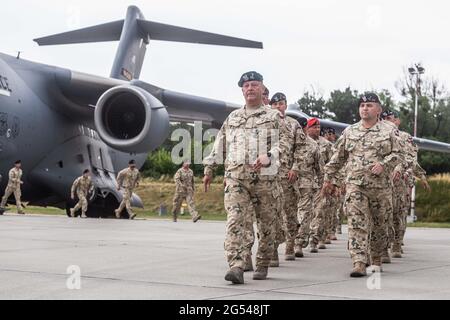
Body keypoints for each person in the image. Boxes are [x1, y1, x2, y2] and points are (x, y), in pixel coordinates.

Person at [203, 71, 282, 284]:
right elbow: (221, 143)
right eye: (246, 85)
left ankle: (263, 261)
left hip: (265, 180)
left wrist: (270, 156)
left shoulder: (273, 116)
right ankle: (237, 265)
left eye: (254, 85)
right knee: (235, 222)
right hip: (236, 178)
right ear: (242, 90)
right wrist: (209, 168)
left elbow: (283, 145)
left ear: (262, 89)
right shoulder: (234, 117)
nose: (250, 88)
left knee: (266, 225)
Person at [322, 93, 404, 277]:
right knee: (356, 223)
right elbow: (338, 158)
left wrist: (384, 164)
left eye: (369, 105)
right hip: (355, 186)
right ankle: (359, 261)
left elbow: (399, 154)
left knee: (380, 224)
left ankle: (375, 258)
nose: (365, 108)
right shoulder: (350, 131)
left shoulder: (389, 131)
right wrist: (328, 179)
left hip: (380, 188)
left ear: (379, 110)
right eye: (362, 105)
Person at [269, 92, 307, 262]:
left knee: (289, 213)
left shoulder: (294, 125)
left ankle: (291, 243)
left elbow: (301, 149)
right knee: (270, 214)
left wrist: (296, 168)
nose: (278, 107)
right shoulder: (265, 123)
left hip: (288, 176)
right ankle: (273, 249)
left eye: (281, 104)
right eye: (275, 104)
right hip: (269, 176)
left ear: (285, 105)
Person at [294, 117, 324, 257]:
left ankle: (298, 243)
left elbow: (319, 168)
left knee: (305, 214)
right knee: (287, 215)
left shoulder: (313, 145)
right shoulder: (286, 143)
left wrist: (323, 184)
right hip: (288, 184)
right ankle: (288, 243)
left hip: (306, 184)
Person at [307, 118, 334, 251]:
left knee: (319, 211)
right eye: (314, 127)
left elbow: (334, 164)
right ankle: (300, 240)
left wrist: (334, 183)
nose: (317, 129)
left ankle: (314, 239)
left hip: (321, 183)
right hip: (304, 183)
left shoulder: (326, 145)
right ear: (308, 128)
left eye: (318, 127)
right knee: (305, 213)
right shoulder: (302, 142)